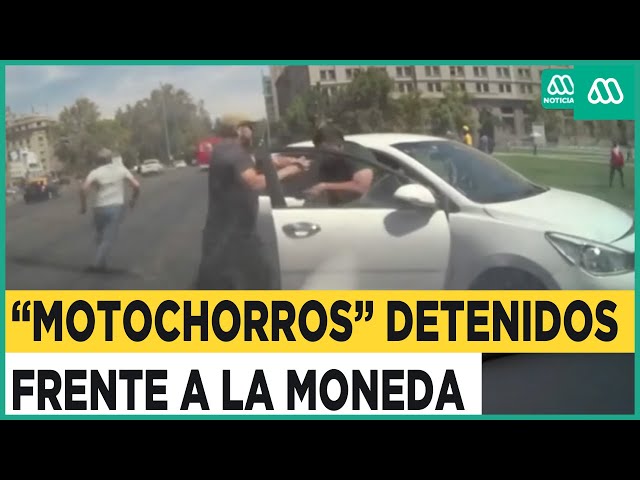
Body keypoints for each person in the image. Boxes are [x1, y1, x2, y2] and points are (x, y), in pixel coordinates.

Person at [194, 114, 308, 290]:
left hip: (224, 233)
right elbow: (255, 182)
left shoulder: (224, 149)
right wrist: (293, 169)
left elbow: (265, 160)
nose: (252, 131)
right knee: (261, 281)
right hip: (232, 237)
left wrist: (292, 160)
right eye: (250, 127)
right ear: (239, 129)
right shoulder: (235, 153)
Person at [80, 148, 141, 272]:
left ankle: (101, 264)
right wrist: (133, 199)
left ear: (98, 160)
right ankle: (97, 264)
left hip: (99, 208)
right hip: (115, 207)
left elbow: (83, 189)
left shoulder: (95, 172)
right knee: (108, 238)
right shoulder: (121, 170)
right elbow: (136, 185)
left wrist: (83, 206)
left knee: (100, 237)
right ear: (110, 159)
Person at [305, 124, 375, 206]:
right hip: (340, 207)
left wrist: (324, 186)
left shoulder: (356, 154)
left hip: (370, 206)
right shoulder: (327, 159)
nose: (323, 154)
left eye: (325, 150)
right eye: (320, 150)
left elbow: (361, 186)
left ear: (339, 145)